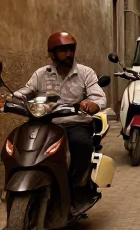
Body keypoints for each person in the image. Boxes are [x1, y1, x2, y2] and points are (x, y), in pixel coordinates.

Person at [0, 32, 106, 209]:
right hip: (46, 122)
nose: (69, 54)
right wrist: (8, 99)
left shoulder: (85, 73)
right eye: (63, 50)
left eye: (71, 49)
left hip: (73, 122)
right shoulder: (42, 73)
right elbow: (25, 91)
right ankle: (13, 190)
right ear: (53, 53)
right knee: (15, 143)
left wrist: (93, 103)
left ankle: (77, 188)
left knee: (81, 144)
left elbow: (99, 96)